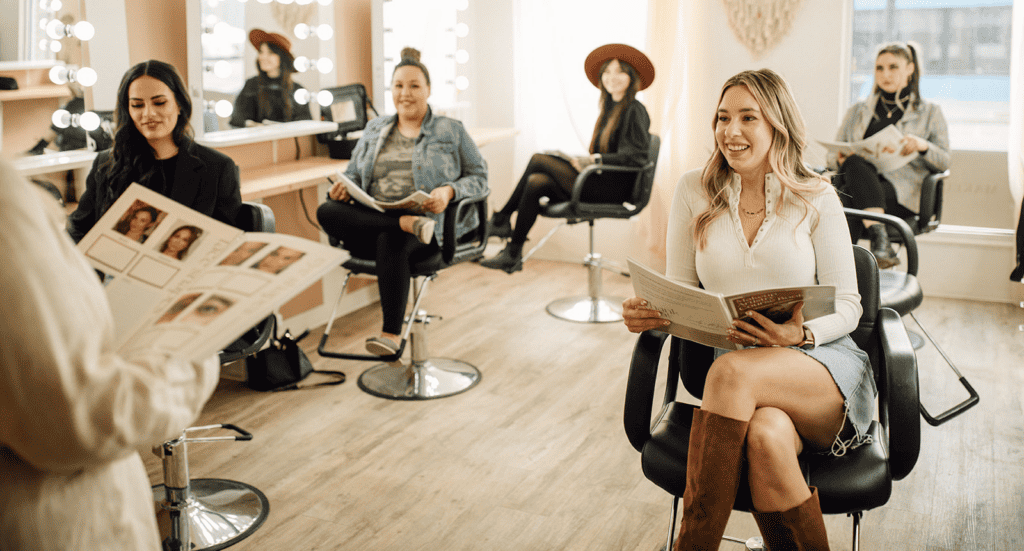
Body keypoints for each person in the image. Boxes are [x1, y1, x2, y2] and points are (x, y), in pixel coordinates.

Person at [622, 69, 876, 550]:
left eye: (747, 118)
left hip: (819, 367)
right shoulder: (694, 189)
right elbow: (680, 288)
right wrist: (649, 311)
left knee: (732, 375)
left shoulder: (815, 194)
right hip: (738, 379)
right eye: (722, 118)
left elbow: (849, 306)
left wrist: (797, 337)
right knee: (766, 438)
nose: (730, 132)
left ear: (777, 124)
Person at [0, 158, 220, 549]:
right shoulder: (13, 208)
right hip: (55, 522)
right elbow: (73, 417)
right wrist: (194, 352)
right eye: (136, 103)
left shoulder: (212, 167)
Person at [316, 47, 488, 356]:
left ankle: (390, 335)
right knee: (326, 210)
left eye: (413, 86)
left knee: (391, 238)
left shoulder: (450, 130)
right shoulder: (374, 128)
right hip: (377, 219)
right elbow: (354, 173)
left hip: (428, 232)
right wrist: (344, 188)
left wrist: (448, 191)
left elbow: (479, 177)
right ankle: (403, 223)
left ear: (428, 90)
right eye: (398, 86)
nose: (404, 94)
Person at [479, 43, 653, 273]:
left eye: (619, 71)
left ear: (631, 76)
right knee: (535, 182)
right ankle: (513, 253)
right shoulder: (610, 109)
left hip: (614, 188)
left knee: (539, 159)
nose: (612, 77)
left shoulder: (634, 110)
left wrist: (595, 160)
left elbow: (637, 157)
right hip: (599, 181)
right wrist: (586, 160)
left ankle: (501, 219)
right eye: (607, 71)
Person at [68, 60, 242, 244]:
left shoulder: (217, 167)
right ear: (128, 110)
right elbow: (78, 228)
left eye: (159, 103)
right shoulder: (106, 164)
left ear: (179, 105)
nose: (148, 113)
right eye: (137, 105)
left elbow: (229, 240)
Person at [829, 42, 950, 268]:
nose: (885, 74)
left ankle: (839, 279)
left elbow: (944, 161)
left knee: (845, 199)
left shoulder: (930, 112)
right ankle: (880, 242)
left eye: (893, 67)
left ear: (910, 69)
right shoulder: (857, 111)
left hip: (901, 193)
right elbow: (832, 155)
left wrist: (923, 146)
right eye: (879, 68)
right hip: (860, 182)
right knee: (854, 163)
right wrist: (840, 158)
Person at [229, 29, 311, 128]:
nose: (263, 57)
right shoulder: (251, 85)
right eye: (261, 52)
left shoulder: (297, 90)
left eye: (270, 53)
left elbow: (306, 123)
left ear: (282, 57)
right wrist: (253, 125)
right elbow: (237, 118)